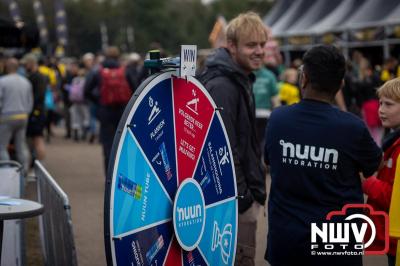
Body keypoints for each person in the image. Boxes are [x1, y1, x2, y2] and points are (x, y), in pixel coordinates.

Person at [264, 45, 382, 265]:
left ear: (304, 78)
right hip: (336, 238)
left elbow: (269, 161)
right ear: (341, 84)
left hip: (288, 237)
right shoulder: (353, 128)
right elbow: (375, 165)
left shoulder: (278, 120)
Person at [197, 12, 268, 266]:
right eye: (251, 45)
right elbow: (222, 150)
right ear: (231, 46)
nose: (259, 51)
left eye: (262, 44)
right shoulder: (224, 85)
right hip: (233, 203)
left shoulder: (236, 77)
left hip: (237, 196)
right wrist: (244, 199)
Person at [362, 77, 400, 266]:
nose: (381, 110)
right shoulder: (393, 139)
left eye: (389, 104)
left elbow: (395, 197)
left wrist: (366, 181)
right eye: (380, 103)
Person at [84, 46, 136, 173]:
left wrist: (99, 101)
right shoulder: (125, 70)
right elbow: (135, 90)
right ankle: (123, 174)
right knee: (123, 143)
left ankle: (109, 176)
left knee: (107, 144)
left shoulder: (98, 71)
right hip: (123, 112)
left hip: (105, 111)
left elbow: (86, 91)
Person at [0, 58, 33, 172]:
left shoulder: (2, 81)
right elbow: (30, 101)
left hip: (6, 117)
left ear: (6, 67)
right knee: (21, 146)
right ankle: (24, 173)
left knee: (2, 147)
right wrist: (26, 113)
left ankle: (7, 173)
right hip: (23, 116)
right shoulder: (26, 81)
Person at [23, 54, 47, 164]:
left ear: (32, 63)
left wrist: (31, 109)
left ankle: (40, 167)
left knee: (38, 139)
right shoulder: (34, 76)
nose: (24, 66)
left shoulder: (38, 77)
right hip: (36, 112)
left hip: (36, 113)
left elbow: (38, 96)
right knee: (34, 139)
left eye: (26, 64)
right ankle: (37, 165)